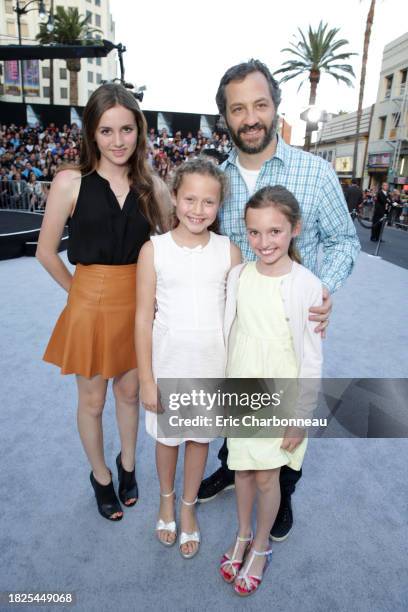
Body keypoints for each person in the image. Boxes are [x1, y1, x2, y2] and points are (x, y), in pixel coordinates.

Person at [198, 59, 360, 542]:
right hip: (238, 324)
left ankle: (283, 490)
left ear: (276, 107)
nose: (250, 117)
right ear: (225, 117)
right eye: (238, 108)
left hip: (289, 328)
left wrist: (321, 290)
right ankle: (233, 466)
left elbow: (344, 242)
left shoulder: (316, 172)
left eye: (260, 105)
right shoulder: (214, 182)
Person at [36, 83, 170, 522]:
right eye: (107, 130)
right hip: (90, 305)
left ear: (139, 131)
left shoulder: (152, 186)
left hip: (138, 306)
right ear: (92, 133)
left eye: (126, 129)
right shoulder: (69, 181)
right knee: (92, 402)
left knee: (129, 393)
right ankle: (101, 477)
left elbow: (173, 243)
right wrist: (79, 292)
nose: (118, 141)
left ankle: (128, 465)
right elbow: (46, 250)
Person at [219, 185, 322, 596]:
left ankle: (261, 546)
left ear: (294, 229)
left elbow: (311, 358)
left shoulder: (307, 286)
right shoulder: (237, 275)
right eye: (255, 232)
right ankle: (242, 535)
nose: (265, 242)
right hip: (242, 385)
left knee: (267, 476)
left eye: (275, 231)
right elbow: (229, 332)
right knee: (241, 467)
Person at [135, 158, 241, 558]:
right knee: (168, 439)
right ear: (175, 198)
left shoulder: (228, 252)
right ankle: (166, 498)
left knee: (198, 439)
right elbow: (143, 316)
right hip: (169, 363)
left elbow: (237, 316)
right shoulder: (154, 250)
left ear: (219, 206)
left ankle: (188, 505)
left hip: (211, 367)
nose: (198, 210)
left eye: (208, 202)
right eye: (190, 199)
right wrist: (147, 378)